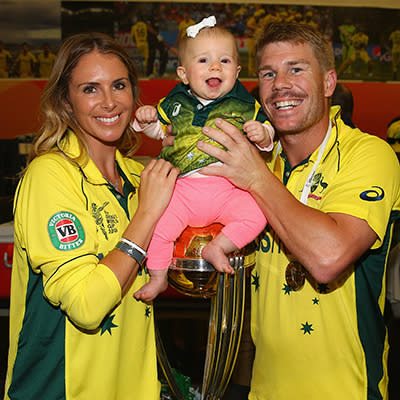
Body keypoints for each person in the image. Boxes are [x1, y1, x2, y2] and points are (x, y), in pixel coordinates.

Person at [195, 21, 400, 400]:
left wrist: (255, 177)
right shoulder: (259, 160)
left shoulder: (368, 154)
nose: (280, 84)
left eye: (296, 69)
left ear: (328, 82)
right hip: (264, 389)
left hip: (346, 391)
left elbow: (328, 258)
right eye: (269, 73)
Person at [4, 32, 179, 400]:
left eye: (118, 85)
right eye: (90, 89)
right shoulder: (50, 176)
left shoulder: (137, 177)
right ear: (66, 103)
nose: (109, 102)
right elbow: (86, 306)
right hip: (60, 390)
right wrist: (146, 214)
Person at [132, 16, 275, 301]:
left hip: (229, 189)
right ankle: (158, 277)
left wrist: (262, 133)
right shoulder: (174, 102)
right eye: (203, 61)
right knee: (158, 229)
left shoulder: (246, 104)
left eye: (224, 61)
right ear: (183, 75)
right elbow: (161, 132)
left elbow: (270, 135)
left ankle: (218, 247)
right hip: (182, 190)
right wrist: (146, 120)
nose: (214, 67)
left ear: (237, 71)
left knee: (258, 215)